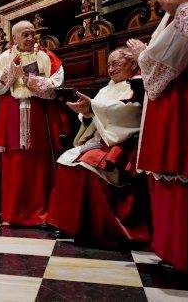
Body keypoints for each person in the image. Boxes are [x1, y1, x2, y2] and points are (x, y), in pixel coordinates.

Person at [127, 0, 188, 272]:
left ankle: (183, 251)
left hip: (179, 100)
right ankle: (168, 246)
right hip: (166, 100)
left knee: (179, 172)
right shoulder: (179, 8)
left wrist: (141, 55)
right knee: (165, 176)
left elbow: (170, 59)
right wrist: (147, 56)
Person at [48, 48, 149, 247]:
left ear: (133, 64)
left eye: (116, 64)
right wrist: (86, 113)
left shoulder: (137, 85)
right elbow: (96, 116)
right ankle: (69, 223)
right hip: (103, 140)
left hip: (124, 144)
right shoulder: (107, 88)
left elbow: (130, 113)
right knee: (66, 161)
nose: (111, 69)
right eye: (109, 64)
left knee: (86, 165)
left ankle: (95, 227)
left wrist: (93, 107)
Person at [0, 20, 70, 226]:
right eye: (25, 34)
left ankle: (41, 213)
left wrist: (33, 81)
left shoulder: (46, 57)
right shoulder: (4, 58)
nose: (30, 38)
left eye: (32, 34)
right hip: (12, 113)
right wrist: (11, 73)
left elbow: (56, 83)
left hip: (39, 113)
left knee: (39, 164)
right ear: (14, 38)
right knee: (14, 163)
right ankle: (14, 213)